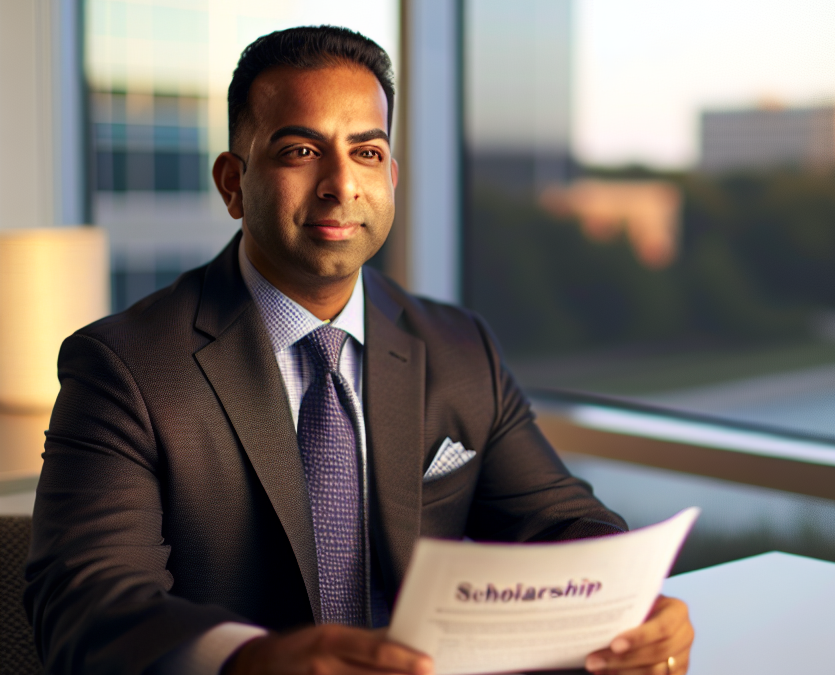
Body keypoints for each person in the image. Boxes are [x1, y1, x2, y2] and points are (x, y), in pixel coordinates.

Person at [25, 26, 694, 675]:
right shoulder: (123, 367)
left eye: (367, 153)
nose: (341, 184)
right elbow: (85, 602)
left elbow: (561, 521)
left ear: (391, 177)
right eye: (300, 151)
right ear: (232, 182)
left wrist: (632, 602)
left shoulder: (460, 347)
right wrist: (249, 660)